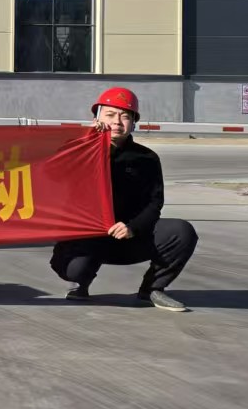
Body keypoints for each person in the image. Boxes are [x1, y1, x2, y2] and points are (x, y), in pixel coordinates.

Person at [51, 87, 196, 311]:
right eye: (110, 115)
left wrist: (132, 227)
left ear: (134, 122)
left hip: (128, 237)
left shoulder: (146, 158)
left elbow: (154, 203)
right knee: (74, 269)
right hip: (88, 237)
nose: (117, 122)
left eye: (125, 116)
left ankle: (152, 289)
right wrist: (90, 141)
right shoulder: (78, 151)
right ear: (96, 119)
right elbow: (54, 176)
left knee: (181, 231)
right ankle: (81, 282)